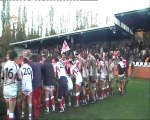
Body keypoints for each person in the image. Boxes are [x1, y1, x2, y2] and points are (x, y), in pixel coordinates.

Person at [1, 50, 19, 120]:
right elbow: (19, 77)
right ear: (15, 57)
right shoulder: (15, 65)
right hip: (12, 89)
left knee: (8, 109)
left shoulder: (5, 64)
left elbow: (2, 77)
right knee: (12, 112)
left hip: (5, 88)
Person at [30, 54, 42, 119]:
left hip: (34, 84)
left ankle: (35, 115)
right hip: (39, 84)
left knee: (34, 100)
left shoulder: (31, 65)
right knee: (38, 99)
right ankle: (38, 114)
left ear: (32, 59)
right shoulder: (39, 64)